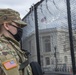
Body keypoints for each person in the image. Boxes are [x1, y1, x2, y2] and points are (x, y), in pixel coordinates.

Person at [0, 8, 33, 75]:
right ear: (6, 25)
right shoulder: (4, 50)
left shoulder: (10, 46)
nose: (20, 29)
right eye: (18, 25)